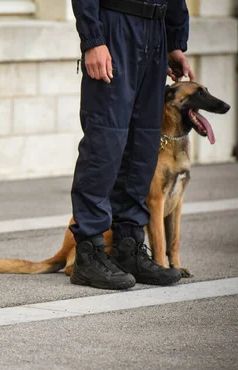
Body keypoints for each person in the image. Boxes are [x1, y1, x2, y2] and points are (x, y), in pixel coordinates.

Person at [69, 0, 195, 290]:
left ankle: (128, 247)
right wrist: (93, 39)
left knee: (144, 142)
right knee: (105, 142)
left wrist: (175, 39)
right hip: (115, 27)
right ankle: (89, 253)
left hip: (156, 30)